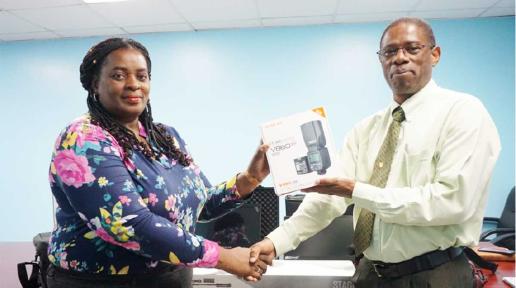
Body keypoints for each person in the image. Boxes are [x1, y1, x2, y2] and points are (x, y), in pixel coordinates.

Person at [250, 17, 501, 287]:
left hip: (435, 275)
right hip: (370, 274)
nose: (400, 58)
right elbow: (327, 199)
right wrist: (276, 241)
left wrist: (356, 190)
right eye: (390, 52)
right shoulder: (366, 129)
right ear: (381, 60)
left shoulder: (463, 112)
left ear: (435, 54)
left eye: (412, 48)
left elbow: (452, 202)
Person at [47, 37, 269, 288]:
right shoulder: (84, 138)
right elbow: (129, 223)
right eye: (119, 76)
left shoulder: (165, 137)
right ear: (94, 84)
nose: (133, 84)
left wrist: (250, 179)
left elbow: (199, 205)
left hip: (169, 276)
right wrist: (224, 256)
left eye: (141, 76)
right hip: (101, 281)